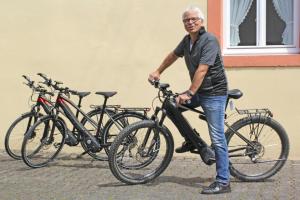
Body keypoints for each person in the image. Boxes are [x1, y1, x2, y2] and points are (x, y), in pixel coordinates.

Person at [148, 6, 231, 194]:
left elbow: (202, 69)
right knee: (170, 105)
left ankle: (224, 182)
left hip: (214, 93)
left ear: (201, 21)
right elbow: (173, 56)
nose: (190, 22)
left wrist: (190, 93)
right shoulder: (187, 41)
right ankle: (193, 141)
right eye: (186, 20)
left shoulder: (209, 40)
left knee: (217, 138)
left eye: (194, 19)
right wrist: (158, 71)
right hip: (199, 91)